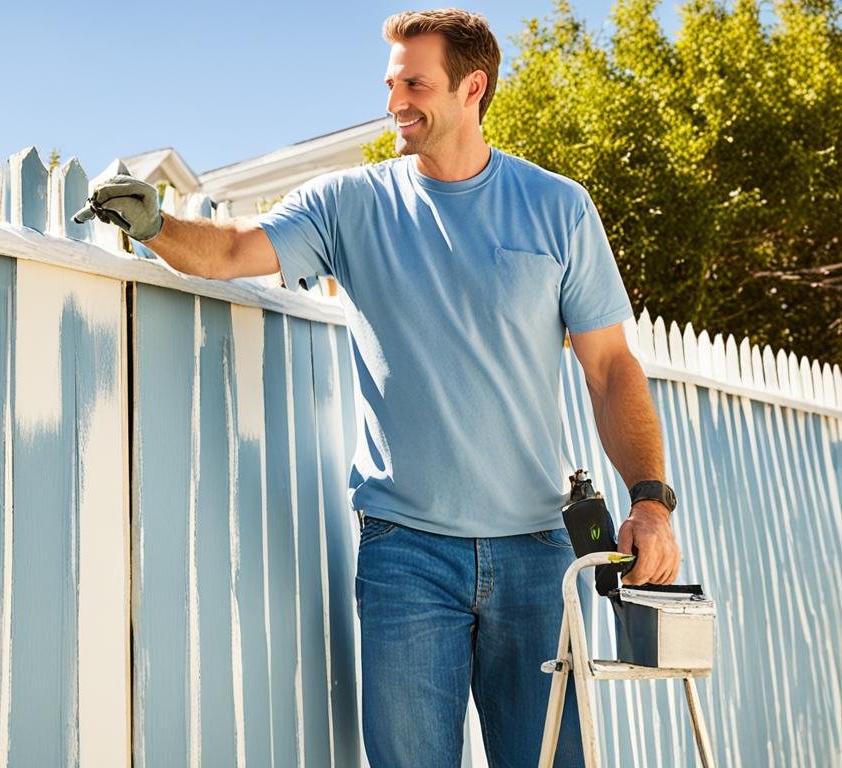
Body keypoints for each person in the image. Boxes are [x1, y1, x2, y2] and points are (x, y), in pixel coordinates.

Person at [79, 8, 682, 766]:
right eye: (391, 82)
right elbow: (232, 248)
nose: (396, 100)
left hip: (536, 556)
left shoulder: (557, 208)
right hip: (406, 555)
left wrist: (651, 501)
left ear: (472, 87)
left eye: (415, 83)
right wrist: (155, 224)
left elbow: (610, 368)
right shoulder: (349, 204)